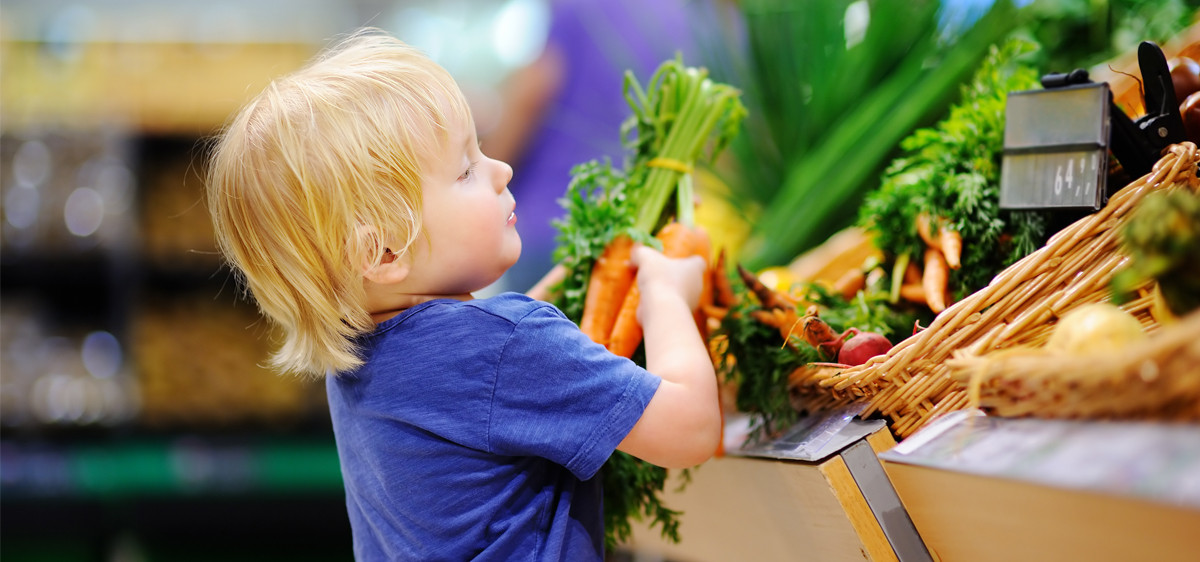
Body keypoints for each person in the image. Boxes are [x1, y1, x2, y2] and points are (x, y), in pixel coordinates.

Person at [206, 29, 720, 561]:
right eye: (467, 169)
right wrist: (665, 295)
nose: (502, 170)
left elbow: (498, 364)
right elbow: (690, 428)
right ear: (384, 253)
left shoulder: (363, 353)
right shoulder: (503, 347)